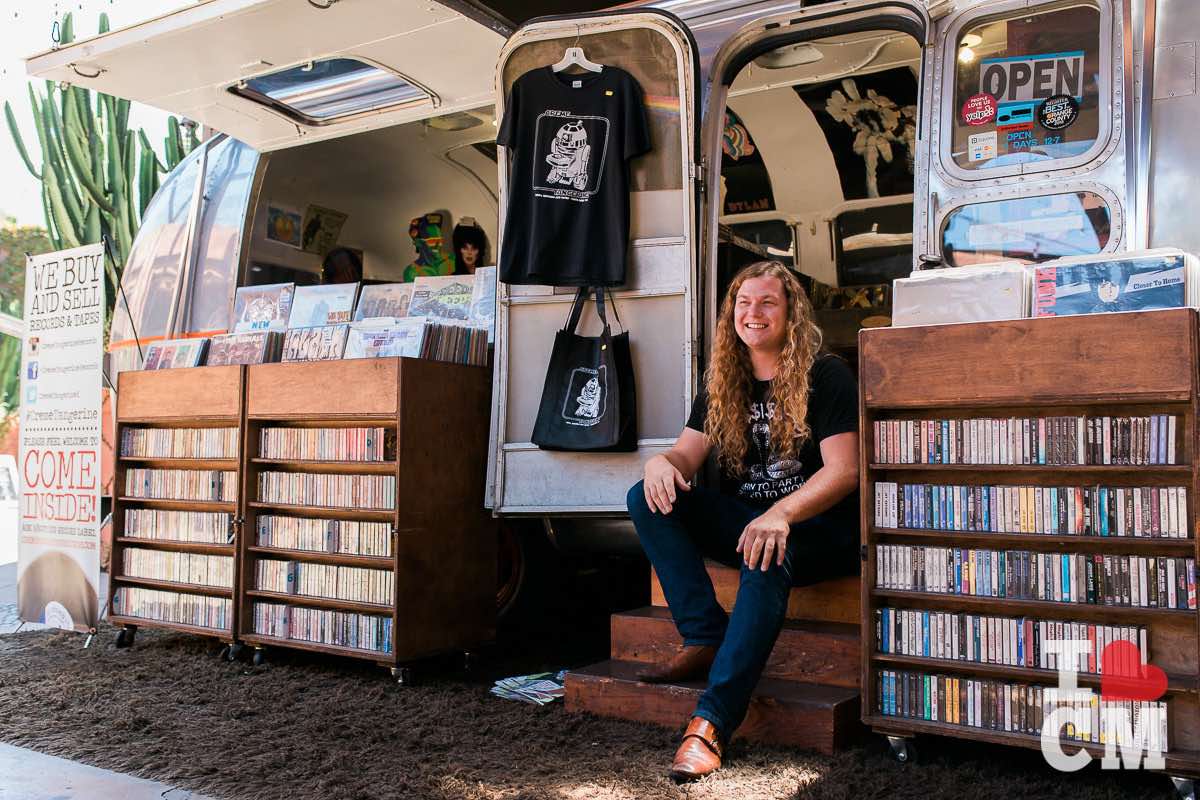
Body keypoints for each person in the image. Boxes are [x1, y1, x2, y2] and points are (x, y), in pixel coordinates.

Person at [626, 260, 861, 782]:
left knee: (766, 549)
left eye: (768, 303)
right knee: (646, 497)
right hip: (754, 520)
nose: (753, 313)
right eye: (744, 303)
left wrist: (781, 513)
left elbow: (846, 472)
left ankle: (710, 723)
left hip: (818, 529)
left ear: (791, 313)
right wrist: (658, 465)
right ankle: (705, 634)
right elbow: (686, 457)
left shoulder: (826, 374)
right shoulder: (723, 381)